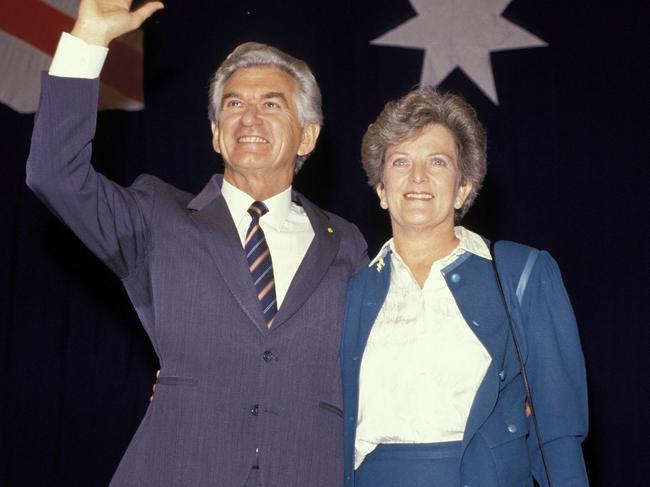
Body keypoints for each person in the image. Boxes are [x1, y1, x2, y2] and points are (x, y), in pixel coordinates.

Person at [26, 1, 367, 486]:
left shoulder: (346, 243)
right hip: (180, 467)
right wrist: (89, 37)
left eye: (271, 103)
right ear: (215, 134)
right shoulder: (156, 216)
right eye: (233, 104)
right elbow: (55, 175)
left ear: (307, 136)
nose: (249, 117)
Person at [340, 88, 589, 487]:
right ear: (381, 189)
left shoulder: (521, 273)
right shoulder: (350, 293)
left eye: (437, 162)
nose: (417, 176)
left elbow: (557, 435)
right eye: (401, 161)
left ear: (463, 187)